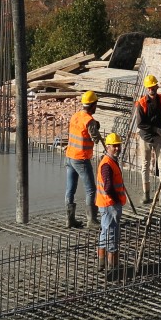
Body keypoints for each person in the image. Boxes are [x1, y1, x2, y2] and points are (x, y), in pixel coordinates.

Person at [63, 90, 102, 228]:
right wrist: (96, 127)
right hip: (81, 159)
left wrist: (93, 124)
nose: (96, 107)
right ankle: (91, 220)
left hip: (69, 156)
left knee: (70, 189)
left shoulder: (75, 116)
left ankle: (69, 220)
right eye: (95, 104)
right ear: (92, 105)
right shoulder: (89, 121)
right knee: (91, 189)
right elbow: (96, 139)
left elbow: (81, 128)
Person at [95, 132, 128, 280]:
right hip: (110, 205)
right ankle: (112, 267)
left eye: (118, 145)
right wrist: (116, 200)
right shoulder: (107, 164)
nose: (117, 148)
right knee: (112, 235)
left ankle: (101, 263)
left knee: (105, 232)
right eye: (114, 146)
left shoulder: (109, 161)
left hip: (106, 204)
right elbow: (108, 187)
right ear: (107, 147)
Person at [134, 74, 161, 179]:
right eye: (149, 87)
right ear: (147, 88)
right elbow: (140, 124)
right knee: (145, 165)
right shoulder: (142, 103)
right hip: (145, 137)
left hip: (160, 137)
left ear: (156, 87)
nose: (151, 89)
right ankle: (146, 194)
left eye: (153, 87)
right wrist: (156, 129)